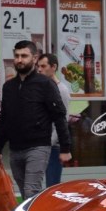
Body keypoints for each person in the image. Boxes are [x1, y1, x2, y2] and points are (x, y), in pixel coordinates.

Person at [0, 41, 71, 199]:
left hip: (38, 147)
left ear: (34, 58)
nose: (19, 60)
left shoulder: (45, 84)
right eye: (16, 56)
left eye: (24, 56)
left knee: (31, 191)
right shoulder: (8, 87)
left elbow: (59, 116)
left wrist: (65, 148)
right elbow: (4, 119)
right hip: (15, 149)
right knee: (24, 194)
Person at [36, 52, 71, 187]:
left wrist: (48, 142)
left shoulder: (61, 90)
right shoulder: (41, 88)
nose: (39, 69)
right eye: (38, 66)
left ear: (53, 67)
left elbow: (63, 121)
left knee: (52, 187)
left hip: (52, 147)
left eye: (43, 66)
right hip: (41, 145)